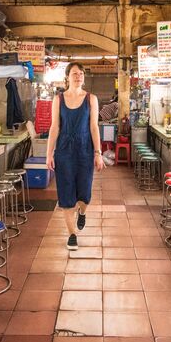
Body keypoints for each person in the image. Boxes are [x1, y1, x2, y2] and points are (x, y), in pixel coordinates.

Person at [46, 62, 104, 250]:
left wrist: (98, 153)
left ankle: (83, 212)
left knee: (84, 193)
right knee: (66, 193)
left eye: (81, 73)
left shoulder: (91, 99)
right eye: (74, 73)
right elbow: (54, 127)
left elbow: (94, 127)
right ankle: (72, 234)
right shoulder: (58, 99)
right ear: (67, 77)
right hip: (64, 151)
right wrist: (49, 154)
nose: (78, 76)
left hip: (85, 151)